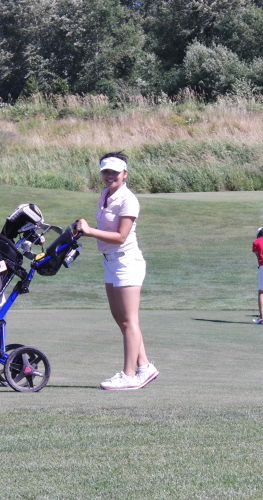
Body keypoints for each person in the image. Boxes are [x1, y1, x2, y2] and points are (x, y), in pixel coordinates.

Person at [76, 152, 158, 390]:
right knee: (120, 318)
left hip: (127, 262)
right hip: (110, 262)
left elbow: (121, 236)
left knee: (130, 320)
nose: (109, 176)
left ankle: (129, 375)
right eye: (106, 172)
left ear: (125, 174)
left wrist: (90, 231)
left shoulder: (128, 200)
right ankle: (145, 366)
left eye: (114, 172)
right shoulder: (105, 194)